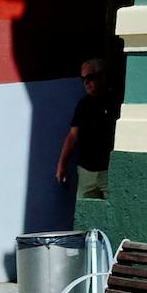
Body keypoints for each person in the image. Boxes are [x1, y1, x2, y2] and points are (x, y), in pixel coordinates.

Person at [57, 58, 117, 199]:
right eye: (83, 79)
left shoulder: (115, 102)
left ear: (102, 76)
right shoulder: (83, 105)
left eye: (90, 78)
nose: (86, 82)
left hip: (109, 171)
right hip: (86, 172)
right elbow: (72, 136)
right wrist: (61, 165)